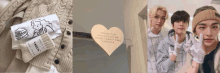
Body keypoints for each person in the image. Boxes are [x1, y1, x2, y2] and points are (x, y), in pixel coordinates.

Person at [180, 6, 220, 73]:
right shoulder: (189, 55)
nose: (209, 33)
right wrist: (195, 63)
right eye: (202, 27)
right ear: (195, 31)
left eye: (214, 27)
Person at [147, 5, 169, 73]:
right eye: (156, 17)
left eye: (163, 18)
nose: (159, 21)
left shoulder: (167, 33)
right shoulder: (143, 33)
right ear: (150, 16)